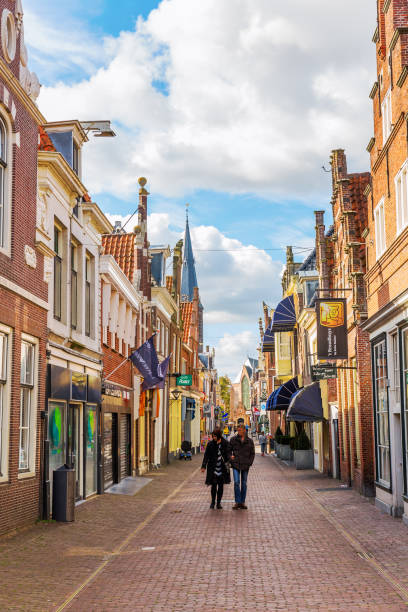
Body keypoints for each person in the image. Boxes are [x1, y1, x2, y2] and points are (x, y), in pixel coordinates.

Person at [201, 428, 231, 509]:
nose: (213, 438)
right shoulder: (210, 444)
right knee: (213, 486)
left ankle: (218, 503)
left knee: (221, 486)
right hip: (213, 468)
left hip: (222, 468)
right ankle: (213, 502)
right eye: (213, 436)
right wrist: (203, 466)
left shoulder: (225, 443)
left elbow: (228, 453)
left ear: (219, 436)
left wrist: (230, 458)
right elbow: (206, 455)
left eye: (215, 436)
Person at [230, 423, 255, 510]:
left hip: (245, 464)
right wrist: (231, 457)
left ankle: (242, 502)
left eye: (240, 430)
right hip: (236, 464)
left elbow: (252, 453)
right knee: (236, 482)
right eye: (237, 430)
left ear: (244, 430)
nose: (238, 431)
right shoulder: (233, 440)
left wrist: (249, 462)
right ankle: (237, 502)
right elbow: (228, 451)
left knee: (244, 483)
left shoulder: (250, 441)